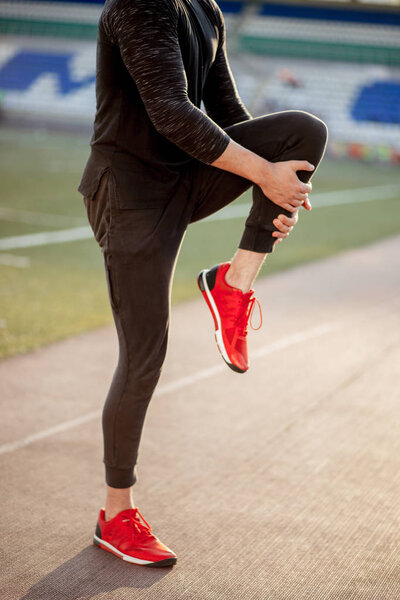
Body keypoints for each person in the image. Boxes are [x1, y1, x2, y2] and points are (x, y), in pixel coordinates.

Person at [78, 0, 328, 567]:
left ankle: (232, 286)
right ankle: (116, 515)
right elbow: (169, 111)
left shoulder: (205, 8)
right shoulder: (139, 6)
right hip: (129, 195)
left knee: (301, 133)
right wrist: (265, 176)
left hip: (182, 178)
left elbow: (228, 113)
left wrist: (276, 192)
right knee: (145, 355)